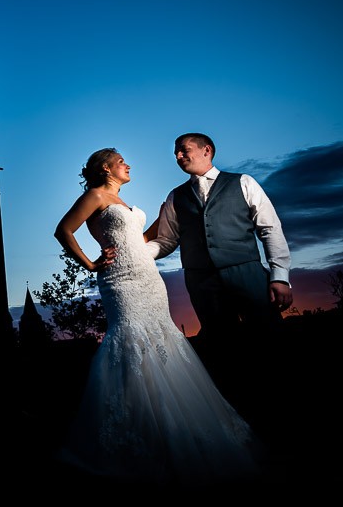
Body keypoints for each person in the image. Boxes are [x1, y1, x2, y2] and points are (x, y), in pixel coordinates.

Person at [52, 148, 265, 488]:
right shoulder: (94, 196)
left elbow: (140, 240)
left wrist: (167, 214)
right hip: (120, 281)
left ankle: (174, 430)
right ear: (107, 167)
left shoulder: (122, 202)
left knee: (163, 342)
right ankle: (138, 438)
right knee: (131, 342)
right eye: (122, 161)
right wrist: (91, 265)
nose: (128, 165)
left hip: (149, 280)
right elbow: (64, 230)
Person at [147, 133, 291, 433]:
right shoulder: (176, 196)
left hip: (247, 273)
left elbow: (270, 229)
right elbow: (167, 240)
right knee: (222, 350)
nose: (177, 157)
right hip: (201, 282)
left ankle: (283, 415)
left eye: (183, 151)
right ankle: (241, 421)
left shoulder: (243, 183)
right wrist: (137, 252)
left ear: (206, 150)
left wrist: (279, 276)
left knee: (269, 342)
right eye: (175, 153)